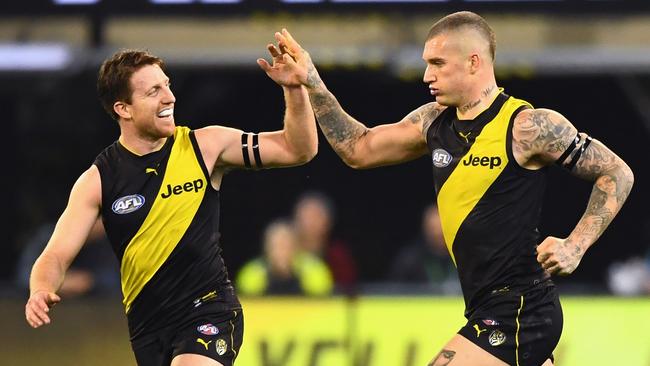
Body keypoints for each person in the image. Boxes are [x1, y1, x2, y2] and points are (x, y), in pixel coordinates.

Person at [270, 11, 634, 366]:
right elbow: (358, 149)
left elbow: (617, 172)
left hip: (521, 309)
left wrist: (576, 244)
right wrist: (312, 81)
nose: (427, 74)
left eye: (438, 63)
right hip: (484, 307)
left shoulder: (528, 126)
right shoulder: (433, 121)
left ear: (474, 62)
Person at [24, 41, 318, 366]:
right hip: (148, 329)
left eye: (167, 85)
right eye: (153, 91)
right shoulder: (99, 180)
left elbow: (298, 149)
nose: (169, 97)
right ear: (124, 108)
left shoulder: (205, 147)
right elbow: (54, 255)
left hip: (209, 309)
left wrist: (294, 90)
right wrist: (40, 289)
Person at [16, 218, 120, 297]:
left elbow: (116, 280)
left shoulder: (109, 241)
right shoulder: (50, 236)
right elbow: (23, 276)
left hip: (95, 312)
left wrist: (90, 281)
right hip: (47, 309)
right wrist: (53, 282)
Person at [236, 219, 333, 296]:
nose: (282, 251)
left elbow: (325, 304)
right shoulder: (252, 273)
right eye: (277, 245)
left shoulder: (314, 270)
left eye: (286, 245)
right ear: (266, 248)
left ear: (296, 246)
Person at [292, 191, 358, 292]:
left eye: (316, 216)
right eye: (306, 216)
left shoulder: (338, 255)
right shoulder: (285, 253)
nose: (310, 223)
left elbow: (348, 290)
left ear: (328, 222)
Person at [389, 203, 459, 295]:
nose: (438, 233)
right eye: (433, 229)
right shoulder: (410, 260)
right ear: (425, 228)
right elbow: (393, 292)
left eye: (442, 230)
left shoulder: (465, 257)